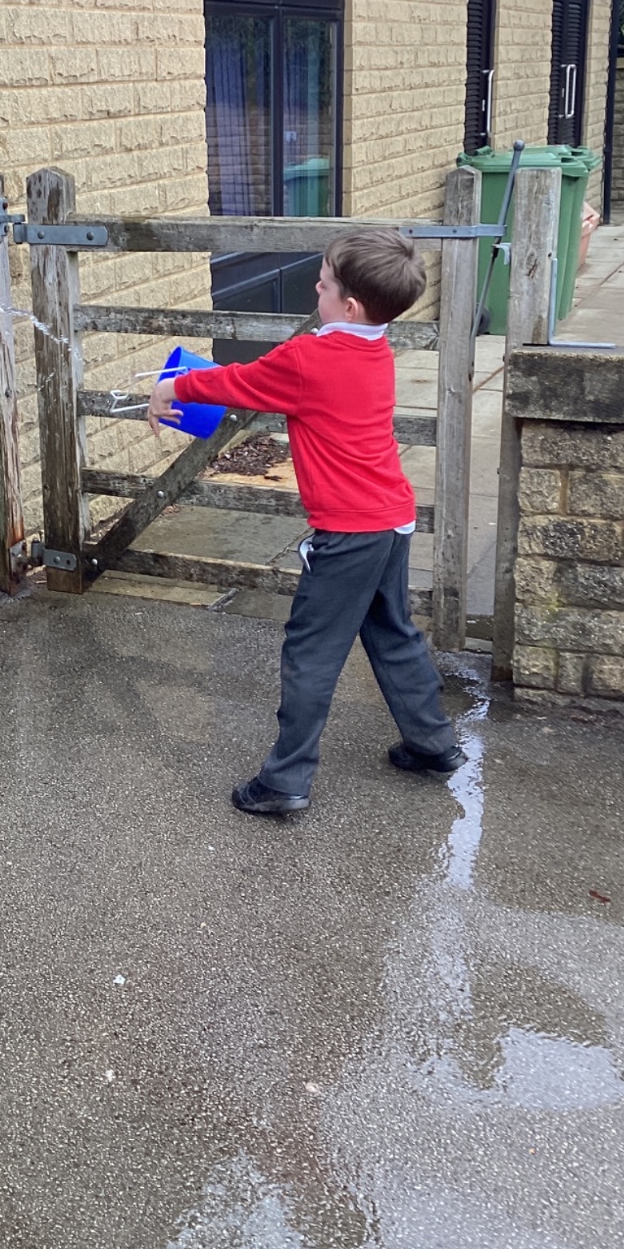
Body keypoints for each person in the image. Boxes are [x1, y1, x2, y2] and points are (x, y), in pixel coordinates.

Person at [147, 229, 464, 817]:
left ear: (351, 305)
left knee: (310, 652)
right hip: (392, 520)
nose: (315, 289)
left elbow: (236, 382)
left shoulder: (309, 358)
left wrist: (173, 385)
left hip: (348, 532)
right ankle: (432, 743)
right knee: (392, 632)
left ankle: (285, 780)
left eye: (323, 284)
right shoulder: (376, 348)